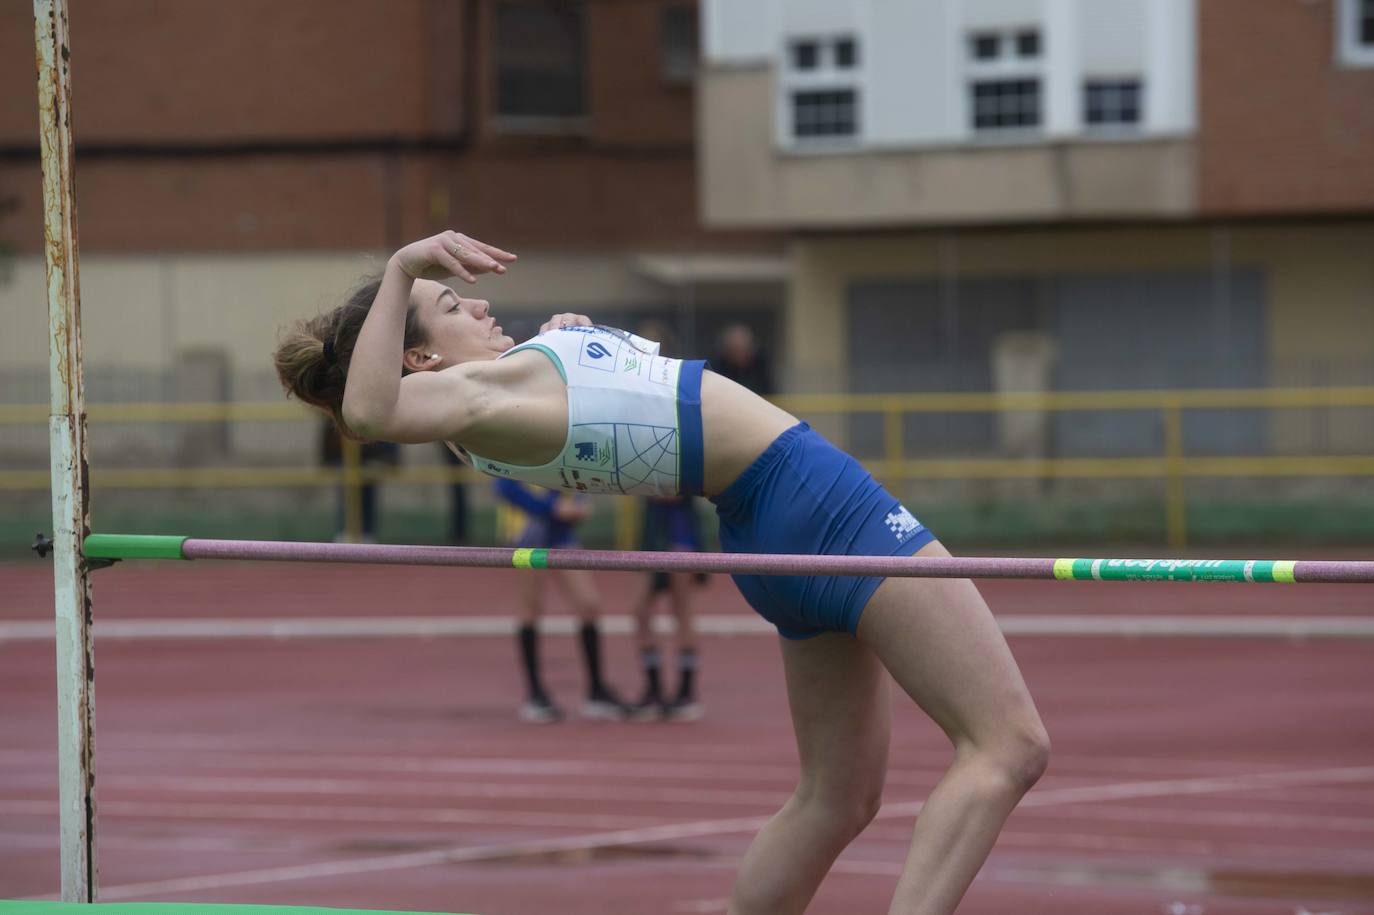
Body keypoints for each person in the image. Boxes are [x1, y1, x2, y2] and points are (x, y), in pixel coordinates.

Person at [274, 230, 1050, 915]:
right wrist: (403, 267)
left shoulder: (492, 399)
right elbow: (370, 413)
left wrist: (569, 342)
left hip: (757, 524)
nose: (479, 305)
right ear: (420, 358)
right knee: (1007, 744)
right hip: (811, 497)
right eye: (451, 305)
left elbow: (596, 401)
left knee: (837, 797)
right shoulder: (470, 398)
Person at [491, 476, 627, 723]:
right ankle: (535, 694)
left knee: (588, 604)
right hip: (528, 533)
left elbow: (571, 474)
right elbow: (504, 485)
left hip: (560, 534)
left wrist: (579, 502)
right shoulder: (513, 454)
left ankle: (596, 691)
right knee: (531, 607)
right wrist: (552, 508)